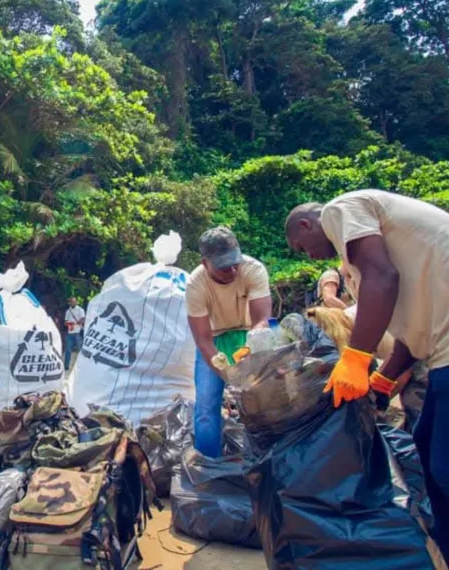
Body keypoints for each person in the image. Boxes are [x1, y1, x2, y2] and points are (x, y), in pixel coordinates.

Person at [286, 189, 449, 560]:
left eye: (301, 246)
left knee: (444, 467)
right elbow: (409, 336)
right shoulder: (363, 265)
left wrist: (357, 359)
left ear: (309, 225)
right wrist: (383, 380)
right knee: (424, 445)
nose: (308, 256)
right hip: (439, 353)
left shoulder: (341, 211)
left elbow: (383, 277)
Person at [186, 227, 272, 458]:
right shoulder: (196, 284)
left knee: (263, 402)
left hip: (249, 335)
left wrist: (249, 352)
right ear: (205, 263)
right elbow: (203, 340)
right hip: (213, 340)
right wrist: (226, 372)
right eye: (224, 266)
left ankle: (264, 461)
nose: (232, 270)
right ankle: (208, 465)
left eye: (235, 262)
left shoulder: (253, 270)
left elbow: (262, 321)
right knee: (206, 406)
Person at [64, 297, 86, 370]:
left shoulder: (80, 309)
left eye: (74, 301)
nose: (73, 303)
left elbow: (83, 319)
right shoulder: (68, 311)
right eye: (72, 302)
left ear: (76, 302)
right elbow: (65, 322)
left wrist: (76, 323)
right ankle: (66, 366)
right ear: (69, 303)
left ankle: (83, 366)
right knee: (68, 350)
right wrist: (69, 324)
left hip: (77, 332)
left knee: (80, 349)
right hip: (70, 332)